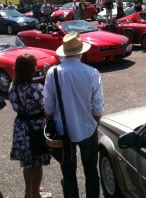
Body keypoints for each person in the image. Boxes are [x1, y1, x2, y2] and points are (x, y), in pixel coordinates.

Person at [44, 33, 104, 198]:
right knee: (91, 171)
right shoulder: (92, 73)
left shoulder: (53, 73)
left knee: (69, 175)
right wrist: (94, 122)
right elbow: (98, 107)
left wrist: (52, 120)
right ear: (81, 52)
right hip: (88, 129)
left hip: (63, 132)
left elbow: (48, 108)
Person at [8, 54, 51, 198]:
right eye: (34, 65)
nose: (36, 67)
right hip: (36, 128)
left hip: (21, 127)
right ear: (29, 70)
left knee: (27, 164)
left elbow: (15, 107)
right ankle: (36, 194)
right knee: (37, 163)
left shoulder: (12, 87)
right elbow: (46, 110)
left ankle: (28, 193)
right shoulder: (36, 88)